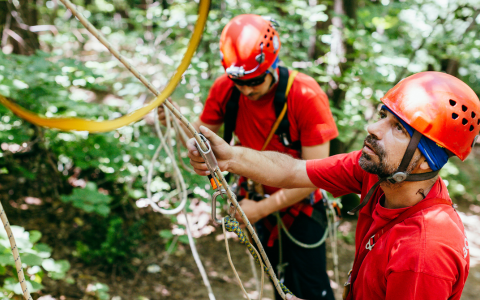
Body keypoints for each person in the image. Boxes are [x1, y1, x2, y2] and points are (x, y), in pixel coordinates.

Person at [187, 71, 479, 300]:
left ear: (427, 161)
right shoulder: (377, 174)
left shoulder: (421, 256)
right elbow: (294, 170)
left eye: (398, 128)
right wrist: (230, 157)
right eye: (382, 116)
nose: (373, 129)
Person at [159, 14, 339, 299]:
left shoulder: (305, 95)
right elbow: (196, 144)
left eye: (255, 81)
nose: (246, 90)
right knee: (279, 284)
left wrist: (262, 208)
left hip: (298, 205)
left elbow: (316, 174)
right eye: (238, 82)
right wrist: (174, 120)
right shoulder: (225, 90)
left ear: (273, 65)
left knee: (311, 288)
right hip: (253, 198)